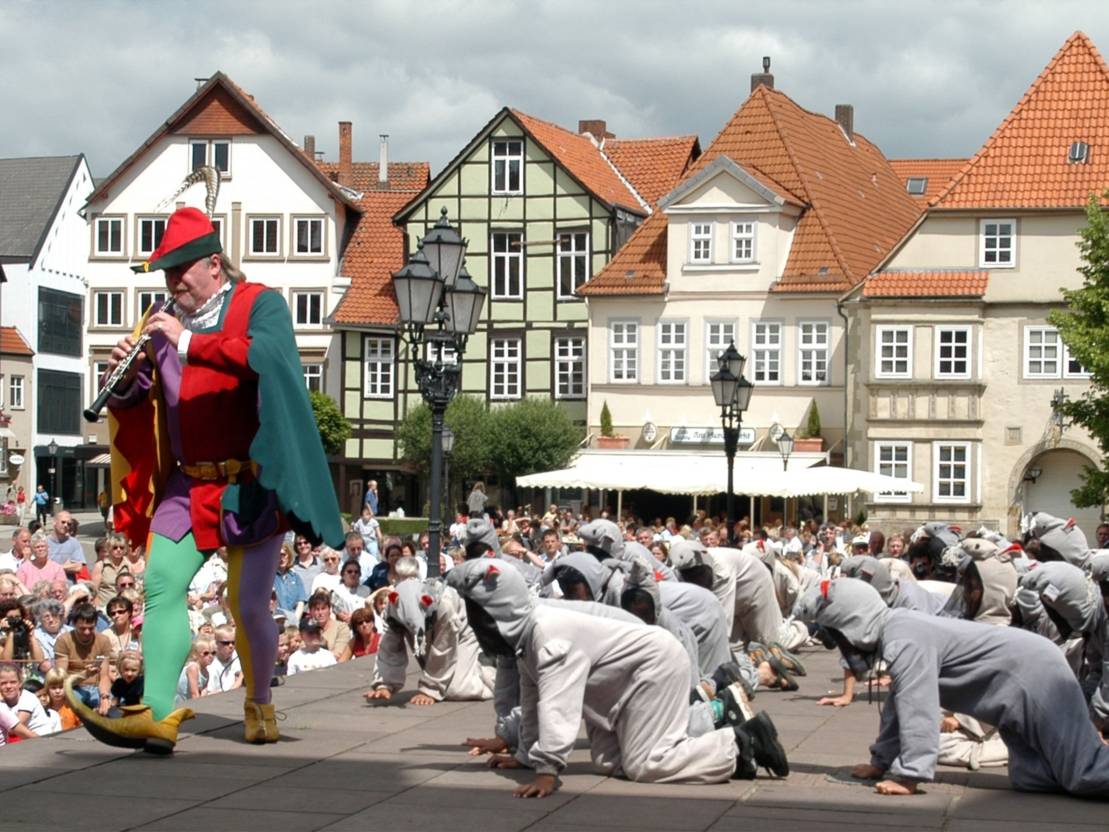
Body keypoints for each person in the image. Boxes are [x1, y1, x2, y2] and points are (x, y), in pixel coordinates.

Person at [67, 206, 343, 754]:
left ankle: (260, 698)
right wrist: (118, 375)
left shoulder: (258, 303)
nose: (172, 283)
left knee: (246, 605)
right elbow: (139, 393)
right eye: (166, 272)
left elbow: (267, 357)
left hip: (250, 485)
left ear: (214, 264)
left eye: (181, 270)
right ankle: (160, 716)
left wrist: (189, 342)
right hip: (186, 484)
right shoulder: (161, 317)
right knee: (162, 586)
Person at [447, 557, 787, 795]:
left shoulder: (548, 634)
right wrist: (524, 756)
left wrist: (547, 771)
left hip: (654, 664)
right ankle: (729, 751)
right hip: (618, 684)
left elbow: (558, 705)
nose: (477, 623)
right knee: (609, 763)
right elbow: (532, 696)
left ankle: (742, 744)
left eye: (480, 612)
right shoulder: (528, 632)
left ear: (500, 608)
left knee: (647, 764)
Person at [796, 578, 1109, 796]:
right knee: (1033, 778)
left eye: (838, 635)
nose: (840, 646)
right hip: (1022, 677)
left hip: (1035, 674)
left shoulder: (904, 636)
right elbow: (898, 702)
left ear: (851, 624)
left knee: (1083, 773)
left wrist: (910, 777)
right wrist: (880, 763)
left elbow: (917, 707)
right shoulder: (898, 628)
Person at [365, 574, 494, 706]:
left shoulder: (444, 603)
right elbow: (389, 646)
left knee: (457, 689)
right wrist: (384, 684)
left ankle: (494, 673)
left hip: (465, 629)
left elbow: (443, 648)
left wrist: (430, 689)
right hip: (428, 631)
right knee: (445, 683)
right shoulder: (393, 606)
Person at [56, 603, 113, 714]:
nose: (87, 632)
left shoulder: (103, 641)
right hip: (74, 687)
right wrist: (84, 675)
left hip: (96, 687)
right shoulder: (64, 641)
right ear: (74, 624)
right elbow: (62, 679)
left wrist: (105, 696)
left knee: (112, 706)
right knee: (70, 707)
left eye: (91, 628)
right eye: (82, 628)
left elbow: (104, 675)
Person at [305, 589, 352, 659]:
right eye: (317, 609)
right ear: (311, 612)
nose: (320, 613)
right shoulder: (308, 630)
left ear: (329, 610)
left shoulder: (341, 628)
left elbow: (338, 653)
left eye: (323, 609)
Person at [91, 535, 133, 608]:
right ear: (109, 549)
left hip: (125, 607)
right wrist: (98, 608)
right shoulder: (100, 566)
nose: (119, 550)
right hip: (105, 607)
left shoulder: (128, 565)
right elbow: (94, 591)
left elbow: (132, 588)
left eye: (121, 548)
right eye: (115, 548)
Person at [46, 510, 87, 582]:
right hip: (49, 584)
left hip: (68, 586)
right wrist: (67, 566)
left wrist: (54, 567)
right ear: (54, 522)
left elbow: (78, 567)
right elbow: (41, 567)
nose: (66, 525)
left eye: (69, 524)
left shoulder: (74, 543)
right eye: (63, 522)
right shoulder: (44, 542)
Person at [176, 638, 215, 705]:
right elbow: (194, 693)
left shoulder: (206, 673)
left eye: (213, 653)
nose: (210, 656)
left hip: (191, 703)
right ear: (195, 654)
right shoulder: (193, 668)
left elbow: (203, 693)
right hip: (180, 704)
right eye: (206, 653)